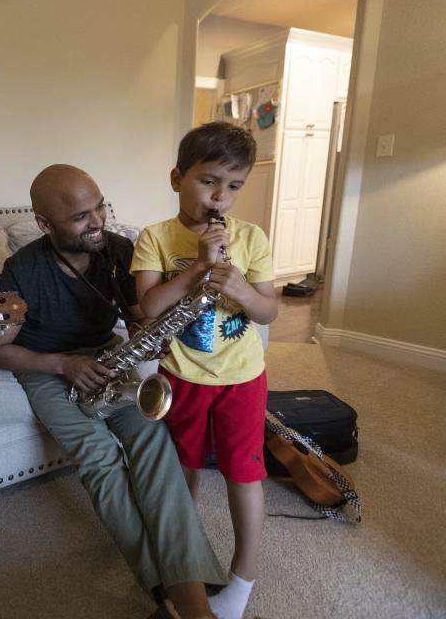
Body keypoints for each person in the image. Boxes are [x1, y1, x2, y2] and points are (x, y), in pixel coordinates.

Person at [0, 164, 228, 619]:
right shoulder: (20, 272)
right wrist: (62, 364)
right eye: (80, 217)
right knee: (99, 456)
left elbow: (137, 313)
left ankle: (189, 598)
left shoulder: (117, 249)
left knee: (155, 441)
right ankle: (167, 590)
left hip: (108, 354)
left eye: (100, 207)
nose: (97, 222)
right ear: (44, 224)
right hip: (47, 367)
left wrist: (150, 331)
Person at [131, 121, 277, 619]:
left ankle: (242, 580)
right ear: (177, 179)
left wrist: (241, 290)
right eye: (208, 181)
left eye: (234, 186)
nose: (220, 197)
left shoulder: (252, 238)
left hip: (241, 378)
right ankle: (184, 564)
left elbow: (268, 312)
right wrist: (195, 267)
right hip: (182, 376)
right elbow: (149, 308)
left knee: (244, 473)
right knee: (183, 472)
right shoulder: (154, 237)